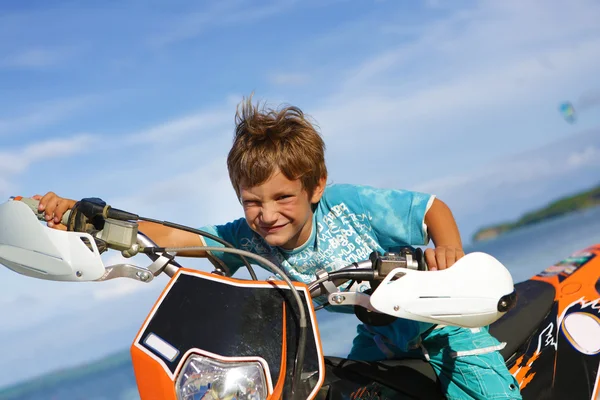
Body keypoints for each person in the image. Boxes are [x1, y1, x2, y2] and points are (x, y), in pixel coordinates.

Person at [35, 95, 521, 399]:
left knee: (484, 392)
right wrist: (85, 215)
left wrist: (449, 257)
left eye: (283, 197)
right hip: (377, 335)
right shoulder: (247, 240)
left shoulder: (349, 205)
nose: (267, 214)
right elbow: (169, 235)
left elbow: (432, 208)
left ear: (315, 187)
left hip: (439, 323)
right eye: (252, 201)